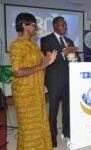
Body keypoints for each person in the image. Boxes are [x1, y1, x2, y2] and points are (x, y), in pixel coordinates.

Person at [9, 12, 57, 150]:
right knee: (28, 128)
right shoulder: (16, 45)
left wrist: (47, 61)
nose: (36, 28)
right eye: (34, 25)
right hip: (25, 95)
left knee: (40, 124)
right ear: (24, 25)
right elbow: (17, 72)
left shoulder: (34, 46)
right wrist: (42, 65)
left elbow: (39, 67)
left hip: (37, 91)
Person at [40, 16, 77, 147]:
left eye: (66, 25)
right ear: (55, 25)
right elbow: (48, 60)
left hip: (68, 79)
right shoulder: (45, 40)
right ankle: (52, 136)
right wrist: (63, 53)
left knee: (67, 107)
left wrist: (73, 57)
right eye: (63, 25)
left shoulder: (69, 40)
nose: (65, 27)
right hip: (54, 80)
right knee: (53, 109)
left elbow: (72, 59)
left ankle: (67, 132)